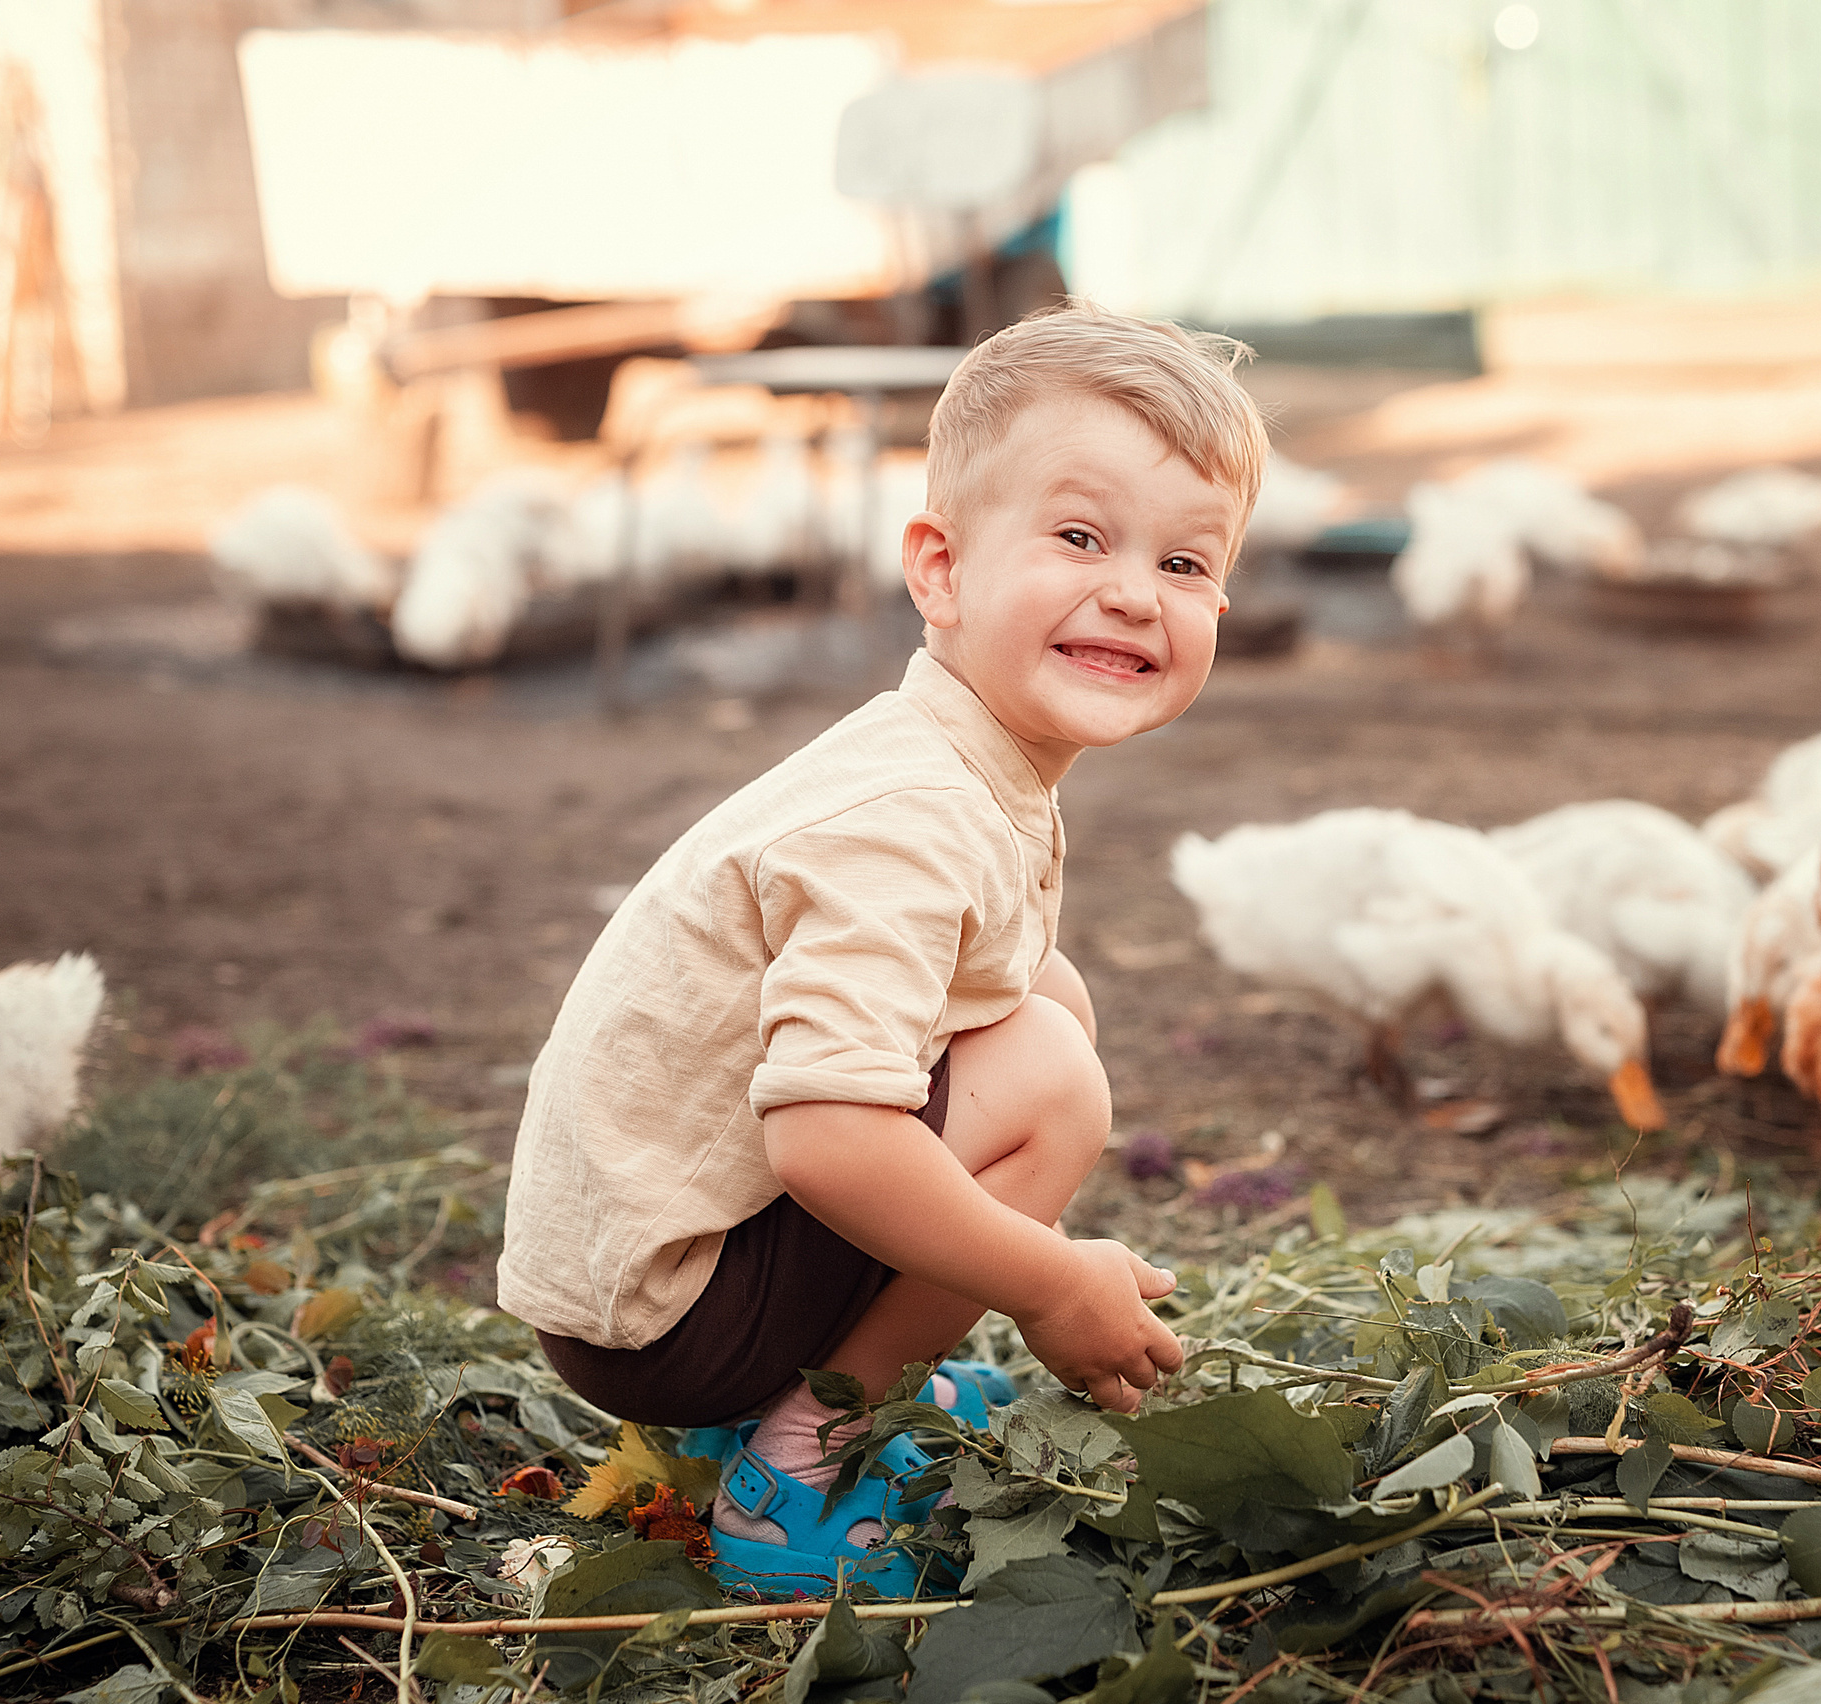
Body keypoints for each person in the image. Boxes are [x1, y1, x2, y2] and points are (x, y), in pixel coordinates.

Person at [495, 301, 1272, 1597]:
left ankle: (837, 1371)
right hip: (662, 1316)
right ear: (941, 570)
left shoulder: (958, 766)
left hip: (671, 1264)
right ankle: (803, 1460)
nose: (1137, 593)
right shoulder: (906, 817)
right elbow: (826, 1138)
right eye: (1081, 537)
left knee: (1043, 997)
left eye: (1185, 563)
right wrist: (1050, 1282)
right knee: (1053, 1080)